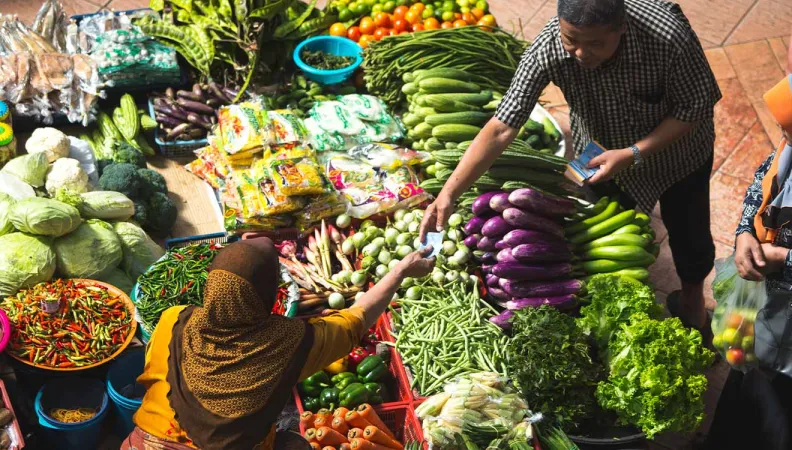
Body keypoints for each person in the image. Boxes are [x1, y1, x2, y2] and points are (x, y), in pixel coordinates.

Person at [419, 0, 721, 336]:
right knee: (595, 220)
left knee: (690, 233)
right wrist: (448, 194)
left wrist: (633, 152)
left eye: (595, 43)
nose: (580, 53)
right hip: (598, 149)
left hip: (678, 154)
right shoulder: (548, 46)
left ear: (622, 27)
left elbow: (695, 107)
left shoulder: (667, 35)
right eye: (571, 39)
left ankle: (693, 302)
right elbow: (502, 127)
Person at [121, 237, 435, 450]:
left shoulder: (173, 319)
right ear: (268, 297)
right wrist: (400, 271)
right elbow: (356, 321)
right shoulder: (286, 344)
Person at [705, 76, 792, 450]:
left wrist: (785, 259)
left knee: (779, 421)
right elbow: (764, 178)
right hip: (766, 313)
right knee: (744, 385)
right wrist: (745, 231)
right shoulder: (789, 145)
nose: (785, 138)